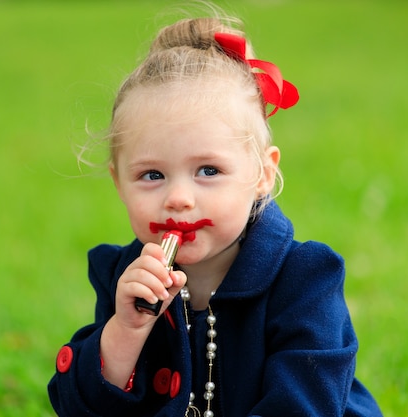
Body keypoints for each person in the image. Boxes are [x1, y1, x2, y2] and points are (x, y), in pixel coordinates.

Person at [48, 6, 383, 417]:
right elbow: (79, 409)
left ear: (262, 174)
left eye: (208, 170)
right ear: (119, 182)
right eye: (152, 174)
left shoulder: (303, 279)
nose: (179, 198)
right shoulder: (123, 277)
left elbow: (303, 404)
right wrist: (124, 333)